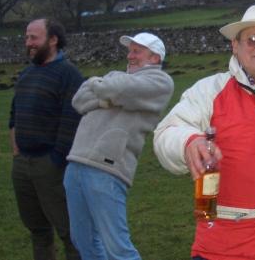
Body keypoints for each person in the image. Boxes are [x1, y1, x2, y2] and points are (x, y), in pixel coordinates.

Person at [153, 4, 255, 260]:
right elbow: (166, 132)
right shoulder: (208, 90)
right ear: (235, 45)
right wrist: (188, 143)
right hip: (219, 249)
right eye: (253, 40)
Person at [64, 32, 174, 260]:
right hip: (76, 162)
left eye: (136, 51)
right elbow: (79, 100)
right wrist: (107, 94)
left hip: (108, 167)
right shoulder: (116, 76)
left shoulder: (161, 82)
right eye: (129, 50)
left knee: (117, 247)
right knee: (82, 240)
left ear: (155, 58)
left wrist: (100, 86)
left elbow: (115, 89)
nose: (130, 56)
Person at [9, 18, 83, 260]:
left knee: (70, 232)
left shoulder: (69, 74)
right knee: (38, 230)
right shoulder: (27, 73)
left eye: (34, 37)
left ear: (53, 40)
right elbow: (14, 113)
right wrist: (16, 150)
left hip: (51, 165)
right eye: (27, 37)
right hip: (23, 163)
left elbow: (72, 120)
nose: (28, 43)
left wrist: (55, 158)